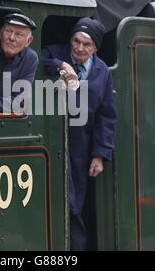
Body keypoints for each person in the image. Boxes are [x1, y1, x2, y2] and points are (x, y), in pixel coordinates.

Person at [41, 17, 117, 250]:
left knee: (76, 203)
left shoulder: (101, 71)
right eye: (76, 41)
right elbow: (37, 56)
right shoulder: (57, 52)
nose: (79, 48)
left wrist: (99, 155)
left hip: (81, 146)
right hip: (52, 140)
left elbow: (106, 115)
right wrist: (60, 65)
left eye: (87, 44)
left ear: (95, 48)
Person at [0, 13, 38, 113]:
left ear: (28, 41)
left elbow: (21, 102)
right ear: (0, 34)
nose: (12, 38)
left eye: (19, 34)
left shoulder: (30, 58)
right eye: (8, 31)